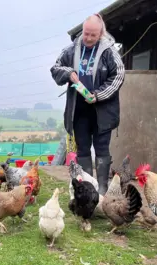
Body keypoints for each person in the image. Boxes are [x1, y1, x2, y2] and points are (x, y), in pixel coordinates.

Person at [50, 14, 125, 195]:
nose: (89, 38)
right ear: (82, 31)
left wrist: (98, 95)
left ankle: (102, 190)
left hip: (103, 112)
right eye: (86, 34)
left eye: (93, 35)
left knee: (101, 149)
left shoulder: (109, 52)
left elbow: (118, 76)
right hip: (79, 112)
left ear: (101, 33)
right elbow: (55, 68)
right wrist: (69, 73)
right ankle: (87, 189)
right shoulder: (71, 50)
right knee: (82, 148)